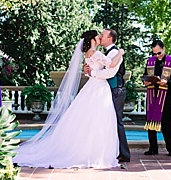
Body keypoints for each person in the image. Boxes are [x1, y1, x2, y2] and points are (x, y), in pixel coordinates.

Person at [14, 30, 120, 169]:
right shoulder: (96, 53)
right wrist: (121, 53)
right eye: (98, 36)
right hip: (98, 88)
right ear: (93, 39)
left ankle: (90, 151)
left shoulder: (88, 53)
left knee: (90, 120)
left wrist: (91, 72)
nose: (100, 37)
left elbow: (89, 73)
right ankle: (93, 153)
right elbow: (111, 65)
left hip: (92, 87)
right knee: (97, 120)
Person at [96, 29, 130, 164]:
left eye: (103, 35)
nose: (100, 37)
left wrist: (93, 72)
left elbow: (110, 72)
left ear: (110, 38)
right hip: (110, 89)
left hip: (116, 90)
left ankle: (124, 153)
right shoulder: (108, 52)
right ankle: (114, 151)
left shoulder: (115, 52)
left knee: (117, 121)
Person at [141, 40, 171, 156]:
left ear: (164, 49)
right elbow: (145, 76)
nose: (157, 56)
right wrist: (146, 82)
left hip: (165, 96)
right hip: (152, 95)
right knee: (150, 121)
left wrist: (167, 82)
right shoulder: (150, 61)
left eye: (159, 53)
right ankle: (153, 147)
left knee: (166, 123)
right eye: (155, 54)